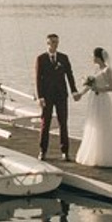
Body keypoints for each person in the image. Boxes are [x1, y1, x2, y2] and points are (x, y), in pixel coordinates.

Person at [73, 47, 112, 168]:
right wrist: (80, 94)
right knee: (94, 124)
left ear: (98, 57)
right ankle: (94, 154)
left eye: (93, 56)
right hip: (94, 100)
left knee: (105, 125)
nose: (91, 58)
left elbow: (111, 87)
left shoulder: (107, 70)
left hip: (103, 100)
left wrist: (98, 89)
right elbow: (90, 85)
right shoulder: (96, 69)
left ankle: (107, 156)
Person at [34, 32, 76, 160]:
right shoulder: (41, 59)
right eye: (52, 42)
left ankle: (65, 152)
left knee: (63, 123)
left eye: (56, 42)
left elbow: (69, 75)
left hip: (61, 95)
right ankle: (43, 151)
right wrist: (40, 96)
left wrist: (74, 91)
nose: (55, 44)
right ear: (47, 43)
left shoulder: (64, 58)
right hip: (46, 95)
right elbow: (37, 79)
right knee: (45, 123)